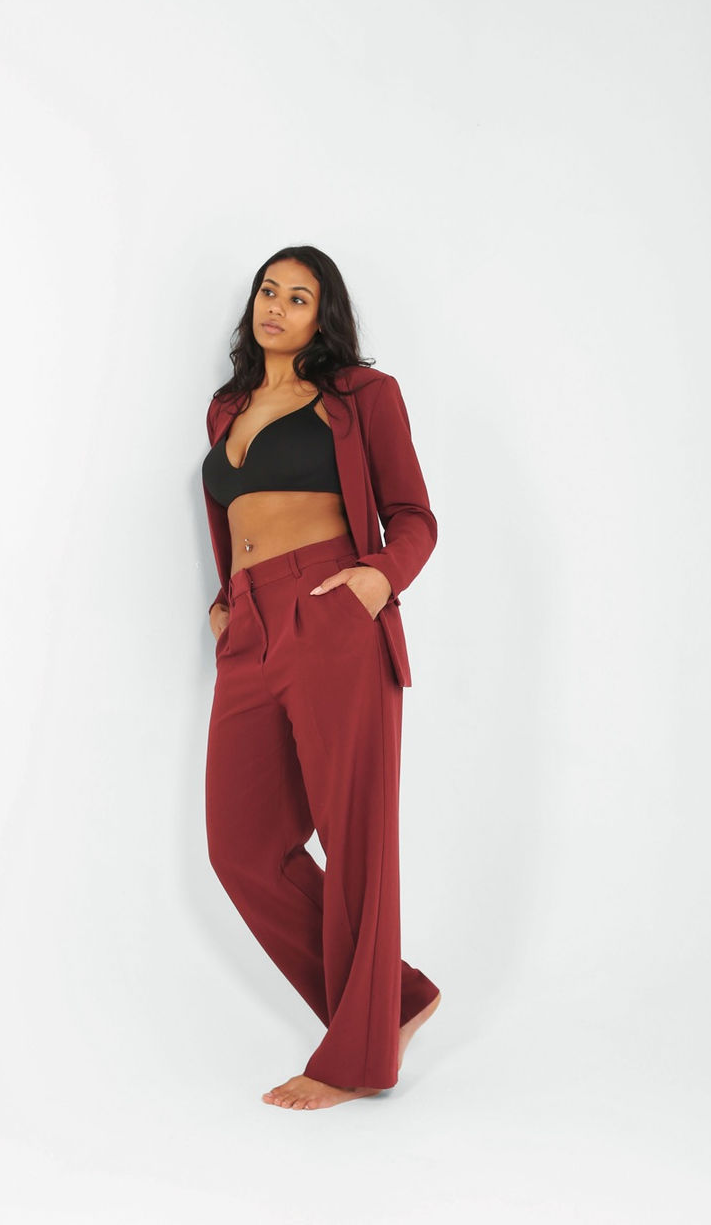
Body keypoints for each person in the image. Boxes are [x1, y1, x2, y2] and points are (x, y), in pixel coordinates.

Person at [201, 246, 441, 1112]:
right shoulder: (226, 409)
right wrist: (227, 600)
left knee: (356, 840)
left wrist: (377, 580)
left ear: (322, 317)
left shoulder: (361, 396)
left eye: (299, 298)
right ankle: (394, 999)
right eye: (269, 291)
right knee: (241, 848)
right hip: (250, 628)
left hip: (332, 608)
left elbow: (413, 515)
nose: (277, 306)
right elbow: (235, 518)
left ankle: (356, 1058)